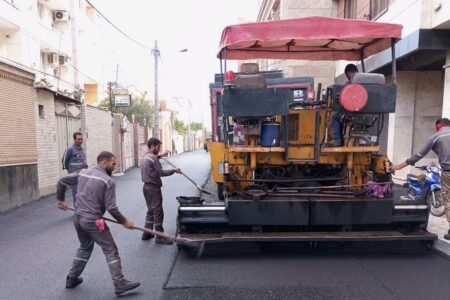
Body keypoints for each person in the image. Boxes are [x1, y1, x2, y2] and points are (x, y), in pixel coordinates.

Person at [57, 151, 140, 296]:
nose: (115, 167)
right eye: (113, 163)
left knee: (85, 247)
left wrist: (61, 200)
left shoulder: (83, 172)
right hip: (93, 220)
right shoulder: (107, 181)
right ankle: (119, 283)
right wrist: (124, 221)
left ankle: (72, 278)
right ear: (104, 162)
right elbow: (112, 207)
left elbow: (62, 181)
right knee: (110, 249)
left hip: (78, 217)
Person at [391, 118, 450, 240]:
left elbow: (419, 154)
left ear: (438, 126)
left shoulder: (436, 136)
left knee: (448, 201)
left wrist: (399, 166)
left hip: (448, 172)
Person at [140, 138, 181, 244]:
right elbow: (161, 172)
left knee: (151, 210)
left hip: (146, 187)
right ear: (152, 146)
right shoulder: (153, 158)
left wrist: (160, 156)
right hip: (154, 188)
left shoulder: (145, 157)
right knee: (158, 212)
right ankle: (160, 237)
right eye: (158, 147)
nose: (159, 149)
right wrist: (174, 170)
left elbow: (154, 158)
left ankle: (147, 232)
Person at [329, 63, 359, 147]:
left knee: (335, 116)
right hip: (365, 113)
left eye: (347, 74)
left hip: (352, 113)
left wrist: (339, 96)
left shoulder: (349, 83)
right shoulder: (364, 81)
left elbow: (346, 98)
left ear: (348, 73)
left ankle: (337, 139)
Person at [62, 132, 88, 203]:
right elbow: (64, 161)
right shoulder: (70, 149)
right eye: (78, 139)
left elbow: (83, 161)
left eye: (81, 139)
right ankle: (77, 212)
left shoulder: (81, 149)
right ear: (74, 139)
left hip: (83, 175)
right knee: (76, 194)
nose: (80, 141)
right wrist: (70, 171)